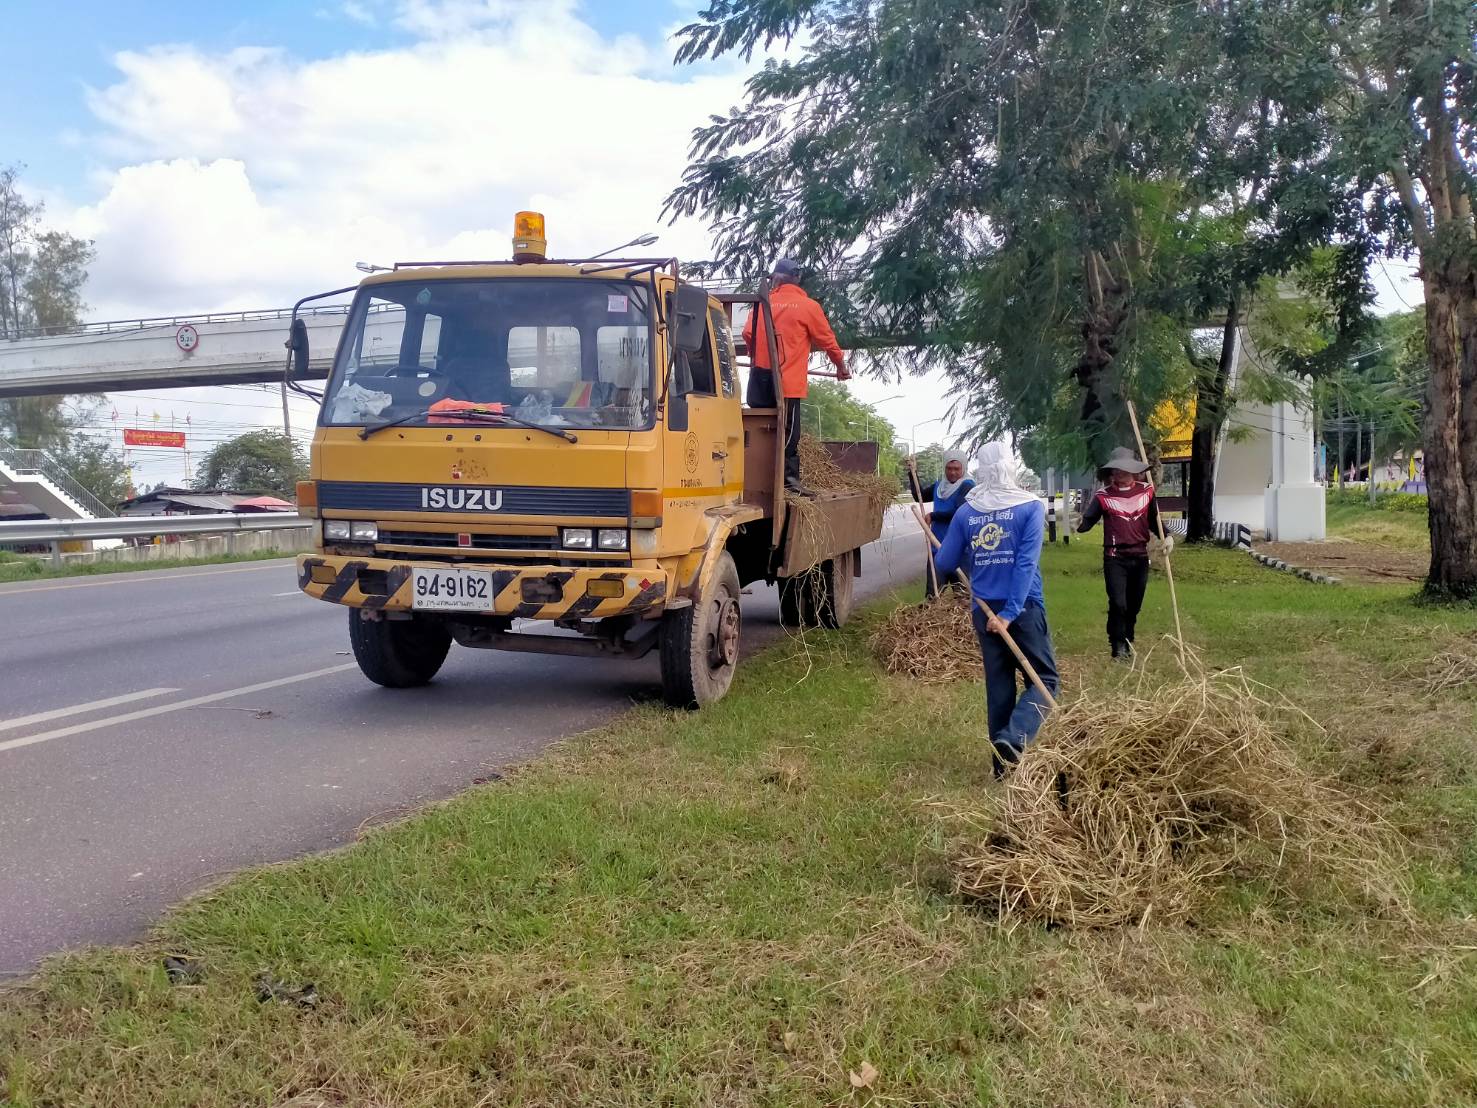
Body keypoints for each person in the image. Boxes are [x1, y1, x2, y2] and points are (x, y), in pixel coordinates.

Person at [934, 442, 1060, 773]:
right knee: (1045, 680)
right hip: (1024, 608)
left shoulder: (967, 512)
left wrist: (971, 550)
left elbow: (944, 562)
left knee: (1000, 685)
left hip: (985, 610)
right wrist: (1011, 612)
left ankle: (1002, 766)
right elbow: (1025, 564)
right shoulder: (1030, 507)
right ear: (1010, 466)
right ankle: (1014, 738)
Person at [742, 258, 849, 495]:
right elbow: (828, 341)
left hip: (759, 382)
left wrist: (756, 355)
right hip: (787, 384)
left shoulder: (761, 303)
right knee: (788, 433)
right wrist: (841, 367)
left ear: (776, 279)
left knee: (761, 432)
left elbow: (748, 333)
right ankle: (788, 483)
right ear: (797, 279)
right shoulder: (808, 306)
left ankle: (755, 480)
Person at [1075, 446, 1169, 661]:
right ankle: (1118, 644)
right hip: (1115, 558)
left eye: (1124, 470)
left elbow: (1154, 520)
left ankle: (1128, 637)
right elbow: (1087, 521)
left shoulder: (1146, 492)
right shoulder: (1103, 496)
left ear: (1133, 471)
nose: (1119, 474)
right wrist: (1076, 524)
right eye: (1115, 470)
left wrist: (1168, 536)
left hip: (1140, 556)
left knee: (1134, 605)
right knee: (1118, 603)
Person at [912, 450, 974, 598]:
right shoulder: (939, 486)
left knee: (963, 598)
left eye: (956, 469)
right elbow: (919, 496)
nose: (952, 473)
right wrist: (912, 473)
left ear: (963, 468)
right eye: (949, 468)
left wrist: (933, 516)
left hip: (960, 552)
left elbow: (958, 512)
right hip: (937, 550)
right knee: (933, 597)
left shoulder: (968, 486)